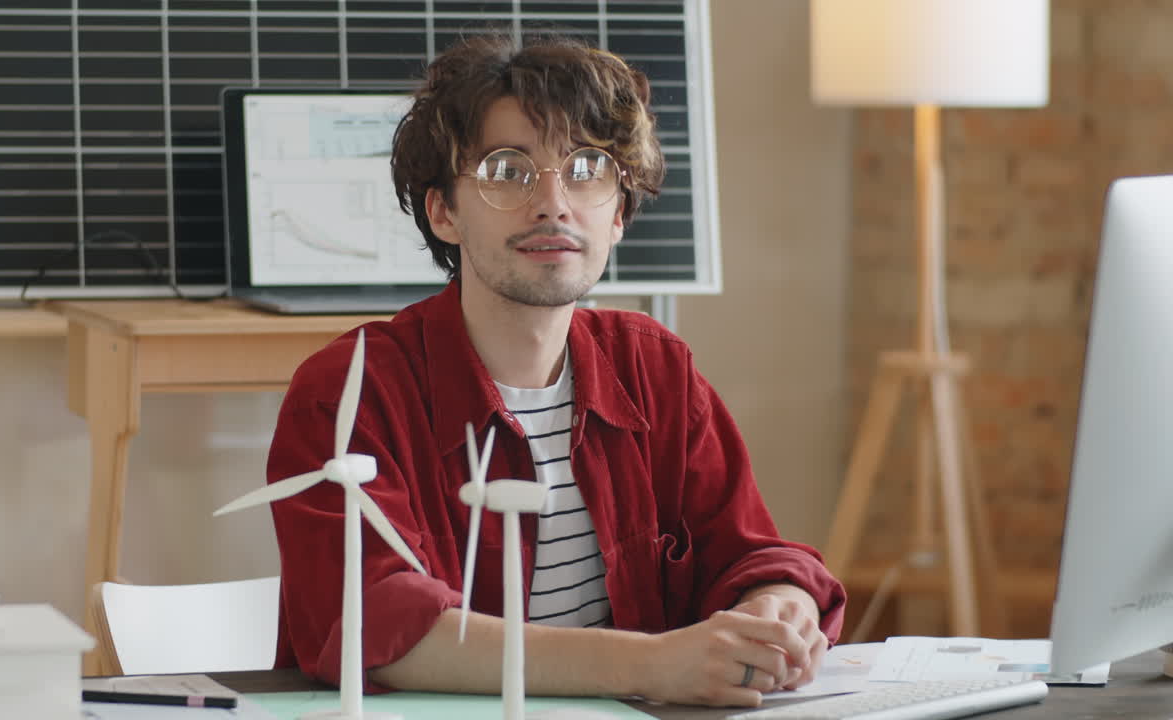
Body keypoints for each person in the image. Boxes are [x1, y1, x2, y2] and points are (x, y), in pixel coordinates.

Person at [266, 32, 846, 708]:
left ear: (619, 215)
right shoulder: (350, 390)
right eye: (507, 171)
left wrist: (778, 606)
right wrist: (649, 664)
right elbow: (376, 626)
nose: (553, 203)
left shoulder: (653, 366)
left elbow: (750, 551)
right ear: (443, 211)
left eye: (587, 169)